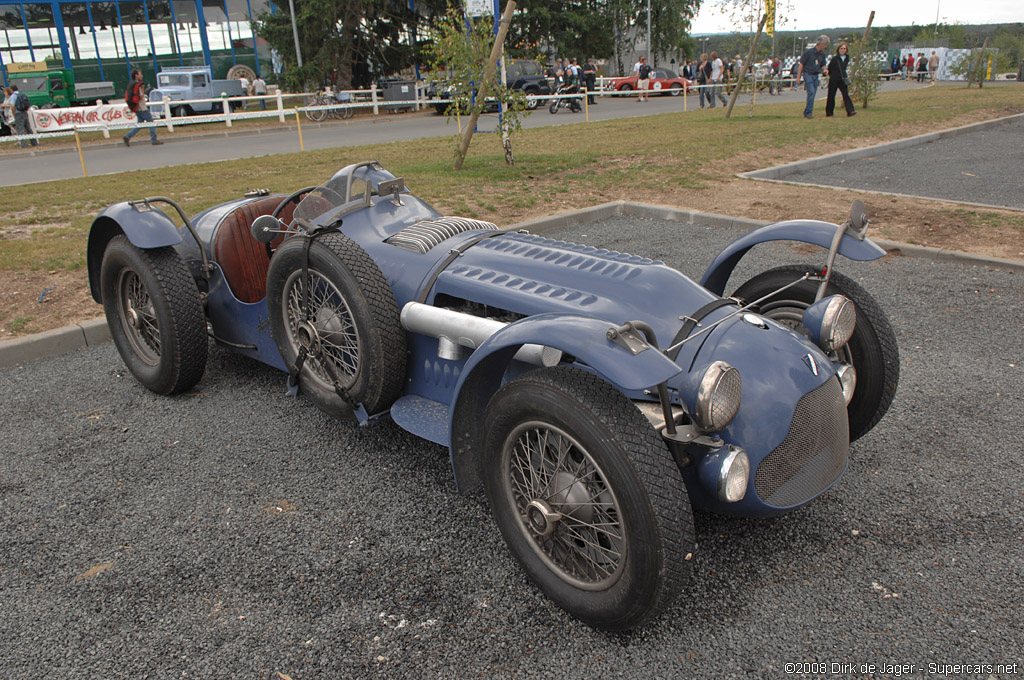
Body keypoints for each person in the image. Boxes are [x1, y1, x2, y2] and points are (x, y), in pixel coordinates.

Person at [123, 68, 163, 147]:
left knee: (140, 124)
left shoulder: (131, 84)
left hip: (136, 107)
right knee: (151, 122)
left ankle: (128, 136)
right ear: (136, 75)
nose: (142, 75)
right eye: (140, 74)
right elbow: (141, 96)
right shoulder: (138, 85)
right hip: (142, 107)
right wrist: (143, 89)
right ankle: (154, 140)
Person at [796, 35, 830, 118]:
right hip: (808, 74)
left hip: (816, 75)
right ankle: (808, 113)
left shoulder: (822, 54)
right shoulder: (808, 53)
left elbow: (823, 64)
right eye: (825, 44)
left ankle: (807, 111)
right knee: (811, 92)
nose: (825, 46)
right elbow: (801, 64)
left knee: (813, 93)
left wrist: (825, 70)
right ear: (820, 44)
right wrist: (798, 77)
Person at [825, 41, 856, 118]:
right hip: (834, 78)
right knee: (831, 95)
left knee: (846, 95)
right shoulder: (835, 59)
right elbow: (830, 68)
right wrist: (832, 75)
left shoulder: (847, 58)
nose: (843, 50)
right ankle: (829, 112)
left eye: (844, 48)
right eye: (841, 48)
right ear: (838, 49)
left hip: (843, 79)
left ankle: (850, 111)